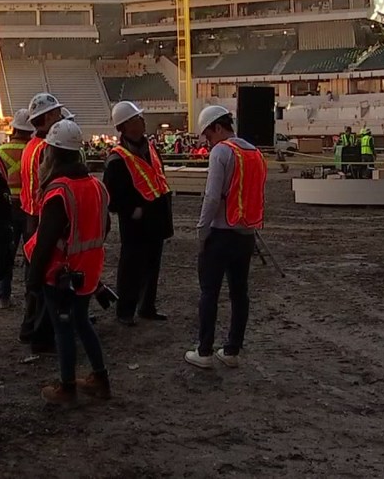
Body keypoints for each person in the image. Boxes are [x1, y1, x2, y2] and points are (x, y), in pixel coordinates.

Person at [26, 119, 112, 404]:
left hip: (61, 274)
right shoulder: (96, 186)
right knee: (81, 322)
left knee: (63, 328)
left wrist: (33, 281)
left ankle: (67, 386)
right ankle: (100, 377)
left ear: (52, 152)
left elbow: (45, 242)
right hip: (89, 270)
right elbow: (104, 227)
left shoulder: (59, 191)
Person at [185, 105, 266, 369]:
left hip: (220, 234)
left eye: (208, 136)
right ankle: (232, 350)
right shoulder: (253, 152)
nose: (208, 142)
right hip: (245, 233)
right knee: (239, 293)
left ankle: (205, 351)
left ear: (218, 128)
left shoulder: (222, 152)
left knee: (209, 292)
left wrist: (202, 228)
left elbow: (212, 195)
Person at [104, 101, 173, 326]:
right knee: (131, 267)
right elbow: (111, 197)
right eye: (136, 119)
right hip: (135, 224)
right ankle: (125, 311)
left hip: (156, 218)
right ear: (124, 127)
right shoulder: (117, 158)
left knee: (153, 265)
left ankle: (147, 307)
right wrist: (132, 210)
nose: (142, 122)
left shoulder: (150, 148)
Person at [19, 92, 67, 353]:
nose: (59, 117)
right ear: (47, 117)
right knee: (45, 277)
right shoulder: (46, 150)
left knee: (33, 275)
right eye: (56, 113)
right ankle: (40, 335)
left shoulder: (30, 146)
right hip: (41, 219)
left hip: (30, 217)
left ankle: (30, 328)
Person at [0, 108, 33, 310]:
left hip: (8, 207)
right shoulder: (35, 150)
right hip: (29, 208)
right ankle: (30, 295)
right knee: (30, 254)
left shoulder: (1, 152)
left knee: (6, 253)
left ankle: (4, 297)